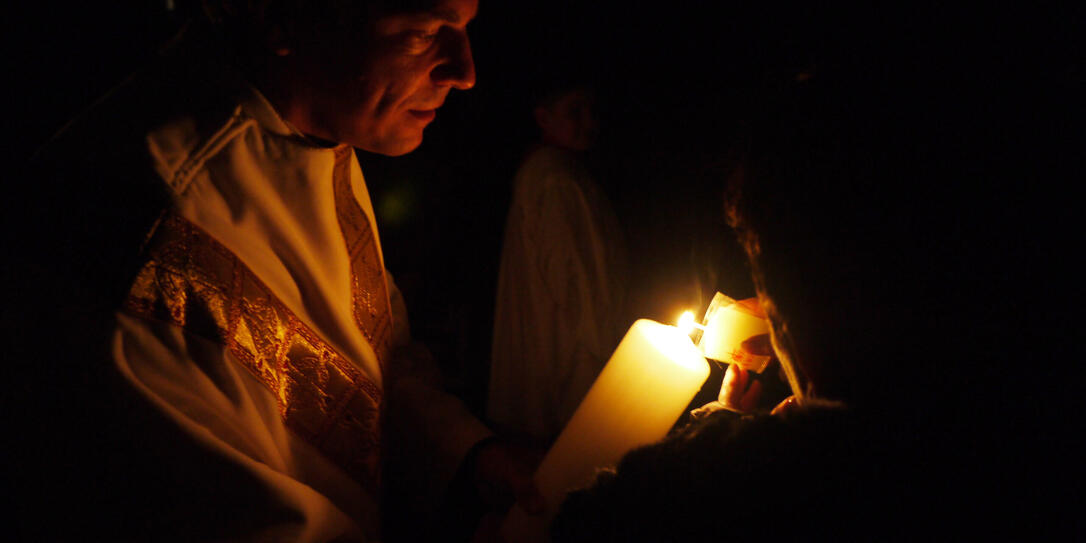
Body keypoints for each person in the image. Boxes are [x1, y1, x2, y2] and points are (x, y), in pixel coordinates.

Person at [5, 1, 540, 540]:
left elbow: (365, 360)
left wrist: (462, 456)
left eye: (466, 29)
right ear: (279, 19)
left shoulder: (312, 127)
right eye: (423, 32)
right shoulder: (141, 228)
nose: (465, 73)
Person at [548, 61, 1031, 540]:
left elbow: (578, 524)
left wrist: (723, 438)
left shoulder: (716, 485)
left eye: (765, 282)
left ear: (791, 291)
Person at [488, 81, 628, 446]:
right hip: (568, 362)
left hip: (559, 355)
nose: (589, 122)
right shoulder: (555, 178)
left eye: (591, 111)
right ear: (543, 118)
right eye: (574, 111)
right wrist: (606, 364)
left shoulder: (559, 173)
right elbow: (577, 281)